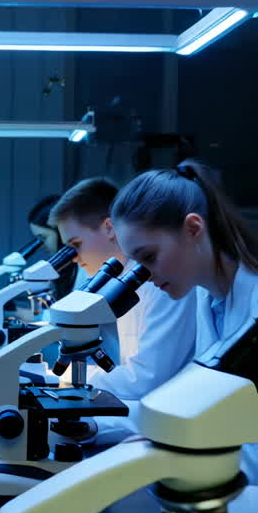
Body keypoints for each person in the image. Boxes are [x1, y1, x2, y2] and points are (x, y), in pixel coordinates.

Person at [111, 159, 258, 479]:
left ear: (193, 228)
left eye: (148, 257)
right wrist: (91, 424)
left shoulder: (254, 305)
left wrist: (178, 453)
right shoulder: (207, 298)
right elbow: (197, 407)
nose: (145, 277)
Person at [50, 175, 197, 410]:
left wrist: (66, 378)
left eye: (76, 244)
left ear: (109, 228)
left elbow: (146, 379)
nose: (74, 257)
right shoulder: (118, 279)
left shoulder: (162, 282)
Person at [27, 192, 79, 299]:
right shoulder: (65, 271)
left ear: (61, 233)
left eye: (43, 238)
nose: (41, 245)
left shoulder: (84, 267)